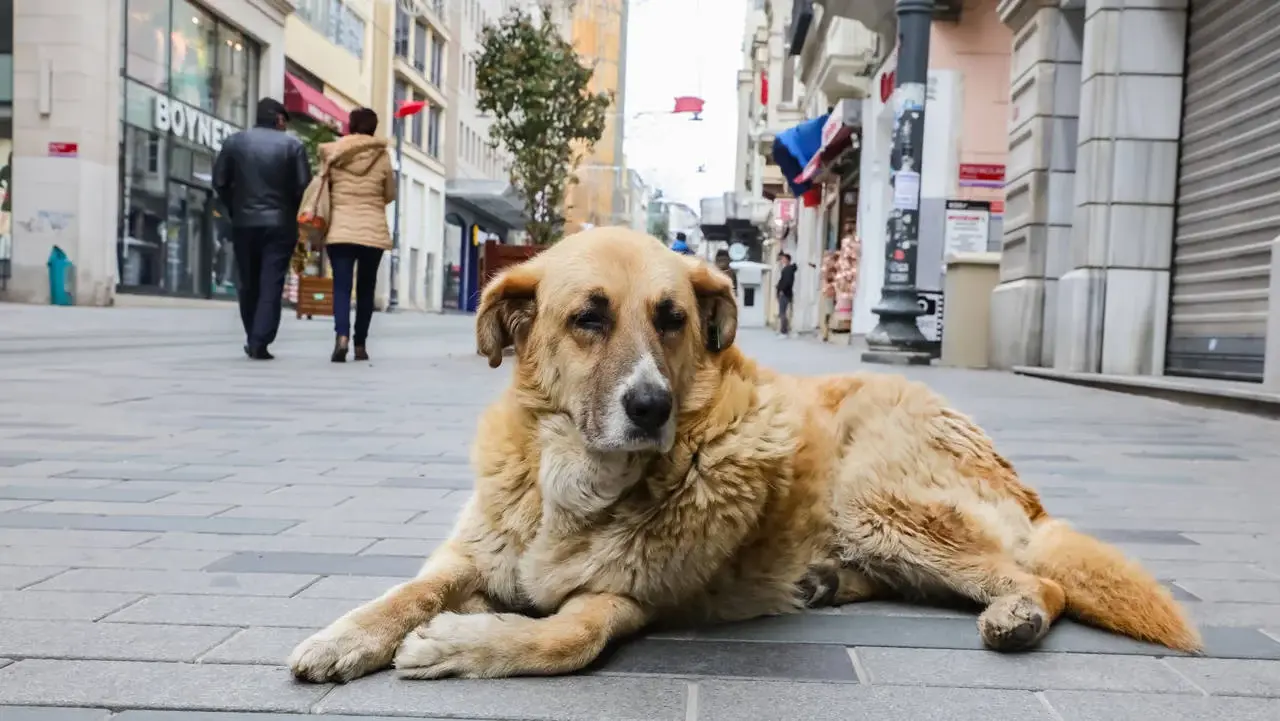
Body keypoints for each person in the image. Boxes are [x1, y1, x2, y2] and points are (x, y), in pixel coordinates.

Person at [213, 98, 311, 360]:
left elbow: (220, 181)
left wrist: (235, 208)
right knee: (271, 282)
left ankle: (252, 335)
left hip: (244, 223)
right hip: (280, 224)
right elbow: (304, 185)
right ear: (278, 119)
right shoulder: (293, 146)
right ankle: (260, 340)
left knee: (248, 282)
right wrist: (288, 210)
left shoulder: (234, 142)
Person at [318, 107, 396, 363]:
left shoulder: (333, 152)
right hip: (372, 230)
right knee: (366, 287)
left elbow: (324, 187)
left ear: (350, 125)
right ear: (374, 128)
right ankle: (360, 344)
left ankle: (341, 337)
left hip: (340, 228)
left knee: (341, 287)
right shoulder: (382, 155)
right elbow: (389, 194)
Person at [776, 251, 797, 337]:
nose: (782, 260)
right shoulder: (788, 269)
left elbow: (787, 282)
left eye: (784, 259)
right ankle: (785, 330)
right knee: (784, 312)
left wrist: (782, 290)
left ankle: (783, 331)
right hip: (786, 293)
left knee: (782, 312)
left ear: (788, 260)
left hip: (785, 293)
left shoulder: (788, 269)